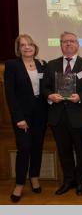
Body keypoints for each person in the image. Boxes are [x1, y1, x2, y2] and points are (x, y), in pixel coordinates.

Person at [41, 32, 82, 196]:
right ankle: (68, 180)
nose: (68, 44)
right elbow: (44, 87)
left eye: (71, 41)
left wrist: (80, 97)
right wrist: (50, 96)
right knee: (64, 151)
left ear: (77, 44)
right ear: (61, 45)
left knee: (81, 151)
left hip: (79, 115)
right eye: (65, 42)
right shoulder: (51, 65)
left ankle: (81, 182)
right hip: (58, 116)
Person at [4, 34, 48, 203]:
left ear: (34, 46)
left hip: (40, 115)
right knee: (24, 148)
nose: (27, 47)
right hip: (22, 116)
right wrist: (18, 117)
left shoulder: (41, 64)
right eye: (23, 45)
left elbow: (45, 88)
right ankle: (19, 184)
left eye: (30, 44)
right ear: (19, 48)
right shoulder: (12, 65)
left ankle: (34, 177)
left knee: (37, 147)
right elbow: (10, 94)